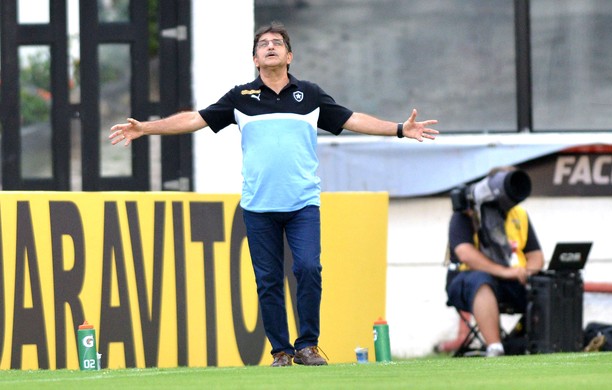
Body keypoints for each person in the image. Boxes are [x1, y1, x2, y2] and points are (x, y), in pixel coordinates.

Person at [110, 21, 439, 367]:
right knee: (268, 281)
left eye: (277, 43)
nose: (270, 47)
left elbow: (351, 119)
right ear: (255, 58)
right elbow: (195, 119)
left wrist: (401, 129)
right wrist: (145, 128)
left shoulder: (309, 94)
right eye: (263, 44)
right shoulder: (241, 97)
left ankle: (307, 345)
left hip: (303, 205)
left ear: (289, 55)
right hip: (258, 206)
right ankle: (281, 351)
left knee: (309, 269)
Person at [445, 167, 544, 357]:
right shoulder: (465, 212)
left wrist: (528, 272)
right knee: (481, 281)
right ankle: (495, 348)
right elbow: (464, 253)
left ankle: (544, 344)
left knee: (549, 285)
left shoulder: (519, 214)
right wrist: (505, 272)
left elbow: (536, 256)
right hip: (464, 279)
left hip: (512, 279)